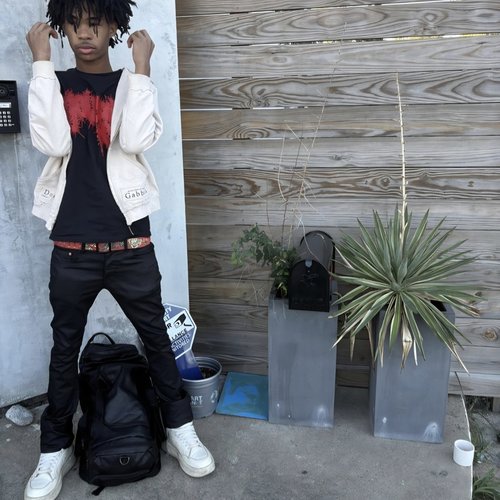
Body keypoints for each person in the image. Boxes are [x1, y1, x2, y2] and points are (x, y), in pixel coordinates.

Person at [24, 1, 215, 499]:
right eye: (74, 24)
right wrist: (40, 63)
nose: (85, 34)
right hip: (72, 248)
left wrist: (143, 68)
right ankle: (55, 448)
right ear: (62, 29)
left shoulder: (133, 84)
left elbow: (135, 138)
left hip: (131, 245)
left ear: (114, 26)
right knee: (64, 349)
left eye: (95, 23)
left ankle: (178, 429)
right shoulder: (55, 83)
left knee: (157, 340)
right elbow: (51, 142)